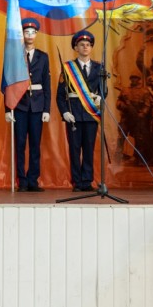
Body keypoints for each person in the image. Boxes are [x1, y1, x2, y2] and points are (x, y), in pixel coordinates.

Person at [56, 30, 106, 192]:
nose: (85, 47)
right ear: (76, 48)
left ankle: (87, 181)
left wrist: (100, 98)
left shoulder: (99, 67)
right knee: (75, 149)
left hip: (91, 114)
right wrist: (65, 112)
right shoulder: (68, 68)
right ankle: (77, 182)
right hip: (74, 114)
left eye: (88, 45)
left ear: (91, 48)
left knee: (89, 149)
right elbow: (60, 95)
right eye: (82, 45)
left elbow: (104, 90)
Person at [5, 17, 50, 191]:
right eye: (26, 32)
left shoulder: (43, 57)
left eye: (33, 32)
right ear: (22, 34)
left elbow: (46, 84)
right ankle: (22, 181)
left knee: (35, 145)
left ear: (36, 34)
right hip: (20, 105)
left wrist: (47, 109)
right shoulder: (14, 55)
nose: (30, 35)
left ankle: (33, 180)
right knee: (20, 144)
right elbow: (8, 83)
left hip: (37, 105)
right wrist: (8, 108)